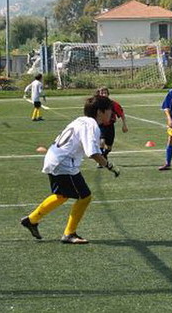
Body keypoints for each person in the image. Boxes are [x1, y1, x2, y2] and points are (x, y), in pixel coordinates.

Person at [20, 95, 114, 244]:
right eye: (109, 110)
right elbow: (93, 153)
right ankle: (69, 233)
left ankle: (31, 220)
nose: (112, 114)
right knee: (85, 197)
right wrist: (109, 165)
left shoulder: (80, 120)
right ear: (99, 112)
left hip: (54, 158)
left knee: (61, 195)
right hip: (63, 163)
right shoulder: (91, 124)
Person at [94, 87, 128, 167]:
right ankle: (100, 161)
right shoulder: (96, 104)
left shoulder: (113, 104)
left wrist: (124, 124)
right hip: (100, 126)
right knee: (102, 142)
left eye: (105, 93)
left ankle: (104, 156)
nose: (103, 94)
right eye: (101, 93)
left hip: (110, 126)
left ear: (108, 94)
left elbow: (121, 114)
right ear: (98, 94)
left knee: (109, 147)